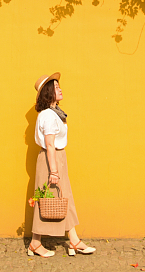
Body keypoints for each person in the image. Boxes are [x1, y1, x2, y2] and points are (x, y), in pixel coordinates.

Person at [28, 72, 95, 257]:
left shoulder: (54, 113)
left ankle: (73, 240)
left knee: (64, 199)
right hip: (52, 159)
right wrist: (54, 171)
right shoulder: (49, 115)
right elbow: (50, 144)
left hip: (58, 158)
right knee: (47, 200)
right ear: (49, 92)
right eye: (56, 87)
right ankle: (35, 243)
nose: (60, 89)